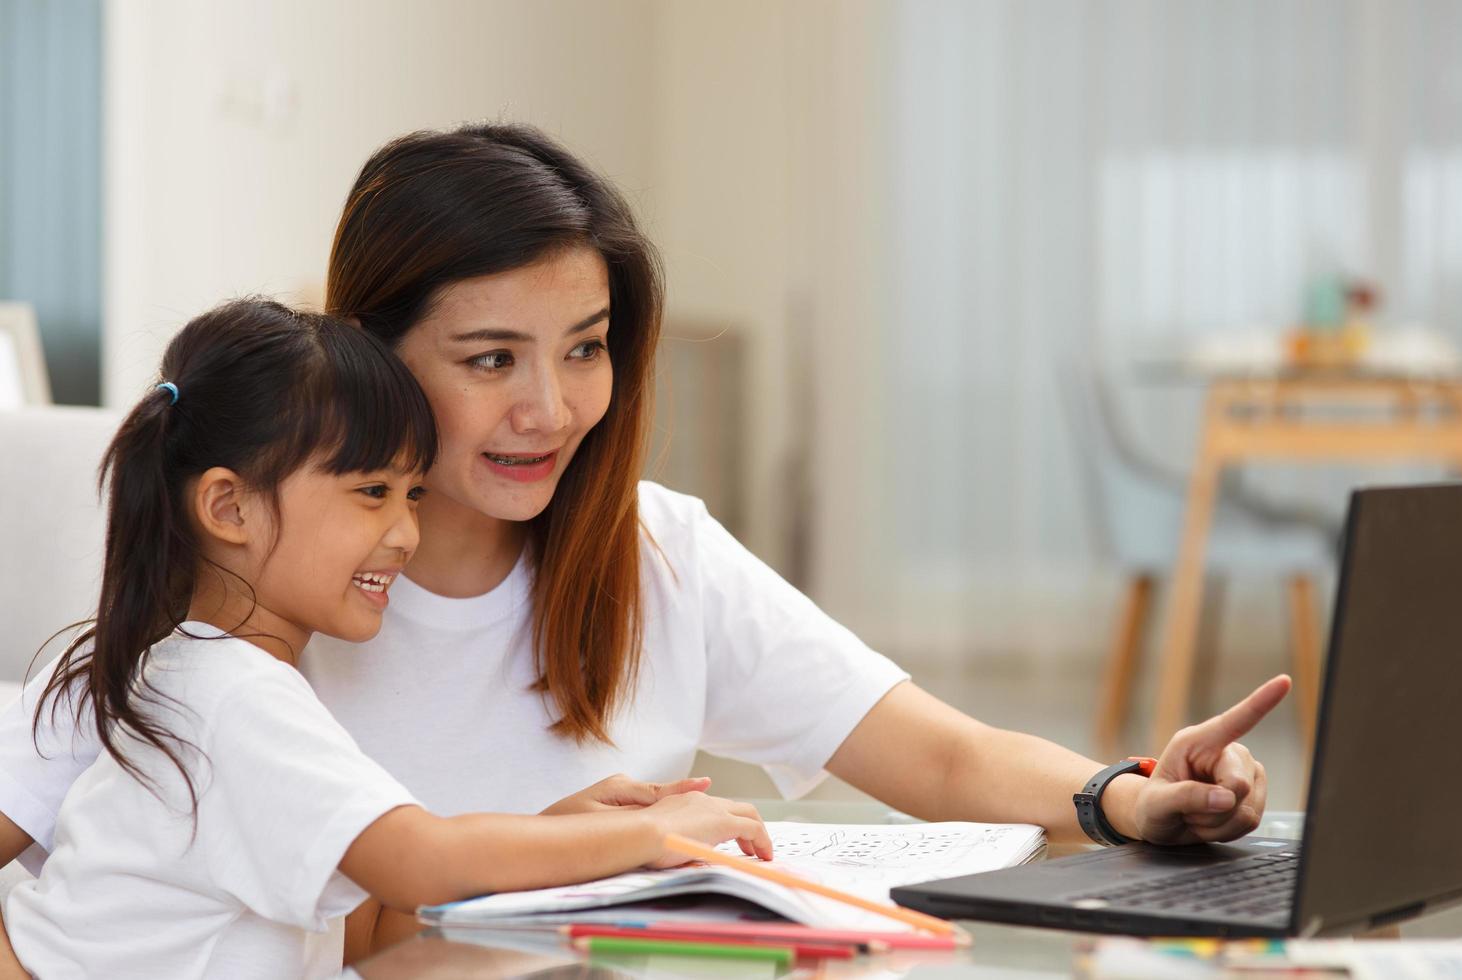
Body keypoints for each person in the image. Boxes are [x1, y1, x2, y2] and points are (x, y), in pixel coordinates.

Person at [0, 124, 1290, 960]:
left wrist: (1125, 794)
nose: (550, 409)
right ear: (367, 357)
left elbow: (938, 750)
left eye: (586, 349)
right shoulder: (218, 634)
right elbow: (379, 882)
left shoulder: (654, 553)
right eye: (490, 358)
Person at [0, 299, 770, 979]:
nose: (405, 533)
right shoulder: (235, 699)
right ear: (228, 508)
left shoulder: (186, 673)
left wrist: (552, 836)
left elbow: (365, 934)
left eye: (413, 495)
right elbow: (420, 864)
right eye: (372, 493)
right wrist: (645, 834)